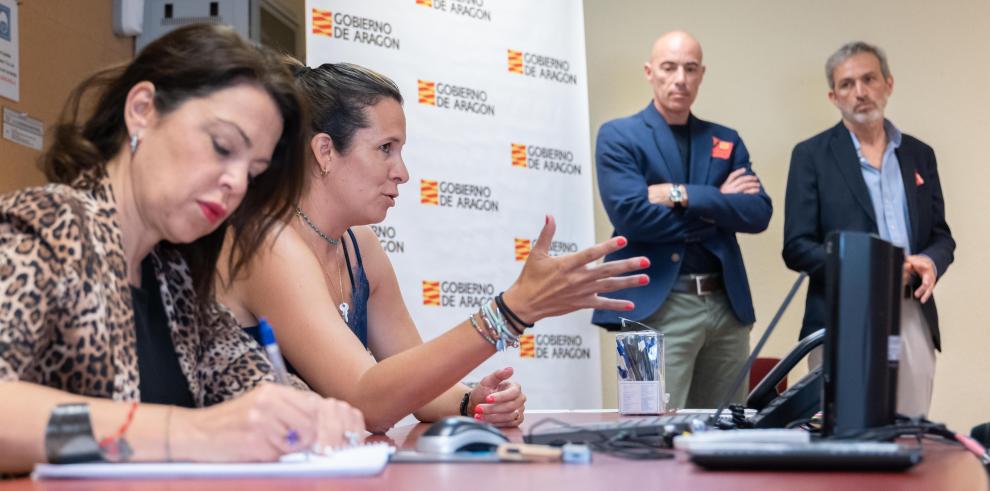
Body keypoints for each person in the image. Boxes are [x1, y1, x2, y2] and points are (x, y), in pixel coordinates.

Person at [0, 24, 365, 474]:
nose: (236, 183)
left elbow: (251, 384)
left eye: (252, 171)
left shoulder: (175, 276)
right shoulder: (46, 227)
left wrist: (312, 416)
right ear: (142, 110)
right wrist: (189, 432)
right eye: (221, 146)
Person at [216, 61, 649, 433]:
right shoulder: (267, 241)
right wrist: (511, 311)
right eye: (385, 149)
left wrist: (472, 400)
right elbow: (367, 400)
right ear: (325, 151)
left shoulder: (359, 247)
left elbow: (415, 389)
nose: (402, 172)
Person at [592, 31, 772, 410]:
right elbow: (633, 217)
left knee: (725, 434)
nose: (680, 79)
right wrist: (721, 206)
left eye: (690, 69)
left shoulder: (726, 139)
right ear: (649, 71)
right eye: (669, 67)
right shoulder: (618, 135)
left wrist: (680, 194)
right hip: (647, 307)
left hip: (726, 308)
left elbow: (758, 213)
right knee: (645, 429)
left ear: (701, 74)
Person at [782, 41, 954, 417]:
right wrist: (871, 268)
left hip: (913, 311)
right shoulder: (811, 156)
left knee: (909, 432)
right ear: (833, 96)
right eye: (846, 84)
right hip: (843, 311)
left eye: (868, 79)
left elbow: (942, 236)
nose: (859, 92)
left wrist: (929, 260)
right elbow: (796, 246)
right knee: (847, 439)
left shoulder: (918, 154)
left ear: (888, 84)